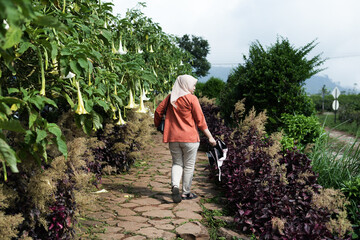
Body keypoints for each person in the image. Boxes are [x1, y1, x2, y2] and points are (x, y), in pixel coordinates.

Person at [154, 74, 217, 203]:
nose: (194, 88)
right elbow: (200, 121)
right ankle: (186, 193)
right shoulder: (192, 99)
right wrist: (210, 137)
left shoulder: (170, 98)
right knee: (188, 166)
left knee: (177, 163)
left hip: (173, 138)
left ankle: (175, 185)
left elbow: (158, 111)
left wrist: (159, 126)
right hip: (190, 139)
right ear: (185, 85)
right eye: (193, 85)